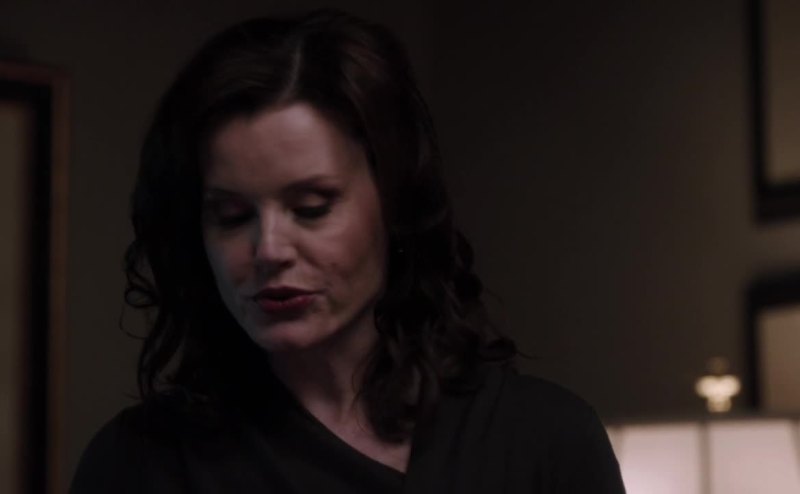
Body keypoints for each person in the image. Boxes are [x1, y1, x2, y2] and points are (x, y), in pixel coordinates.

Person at [71, 9, 625, 493]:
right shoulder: (140, 463)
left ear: (394, 202)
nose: (269, 249)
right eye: (232, 216)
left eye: (311, 207)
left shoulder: (544, 440)